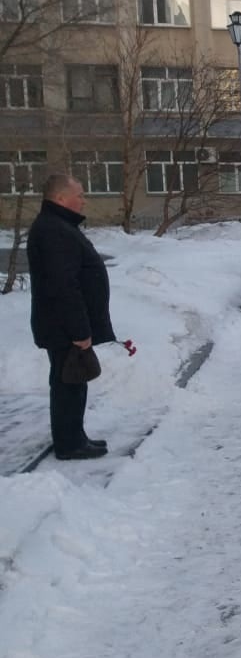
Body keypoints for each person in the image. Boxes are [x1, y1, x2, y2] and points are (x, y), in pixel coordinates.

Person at [27, 174, 116, 460]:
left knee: (73, 382)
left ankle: (74, 436)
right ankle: (69, 444)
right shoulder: (54, 230)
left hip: (64, 325)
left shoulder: (59, 226)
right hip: (64, 327)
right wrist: (80, 330)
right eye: (79, 194)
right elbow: (63, 286)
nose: (84, 199)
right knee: (68, 384)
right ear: (61, 198)